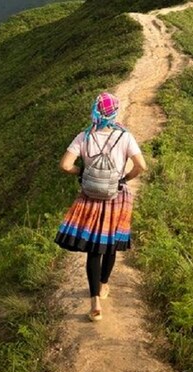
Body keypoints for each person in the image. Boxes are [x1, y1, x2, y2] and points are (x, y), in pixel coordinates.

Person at [55, 92, 147, 321]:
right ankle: (104, 284)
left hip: (90, 197)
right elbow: (141, 166)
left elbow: (65, 165)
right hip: (116, 197)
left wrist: (83, 172)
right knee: (110, 245)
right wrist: (124, 178)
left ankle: (95, 300)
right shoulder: (125, 137)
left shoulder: (84, 136)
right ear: (114, 112)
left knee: (93, 250)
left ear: (94, 111)